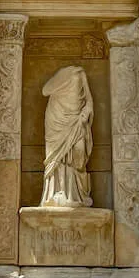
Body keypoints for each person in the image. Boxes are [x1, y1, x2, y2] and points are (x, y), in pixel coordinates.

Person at [40, 65, 93, 207]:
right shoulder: (59, 79)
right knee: (57, 157)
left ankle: (77, 194)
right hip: (56, 119)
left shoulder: (80, 73)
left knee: (79, 151)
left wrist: (86, 112)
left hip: (76, 119)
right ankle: (57, 193)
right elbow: (45, 91)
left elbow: (89, 100)